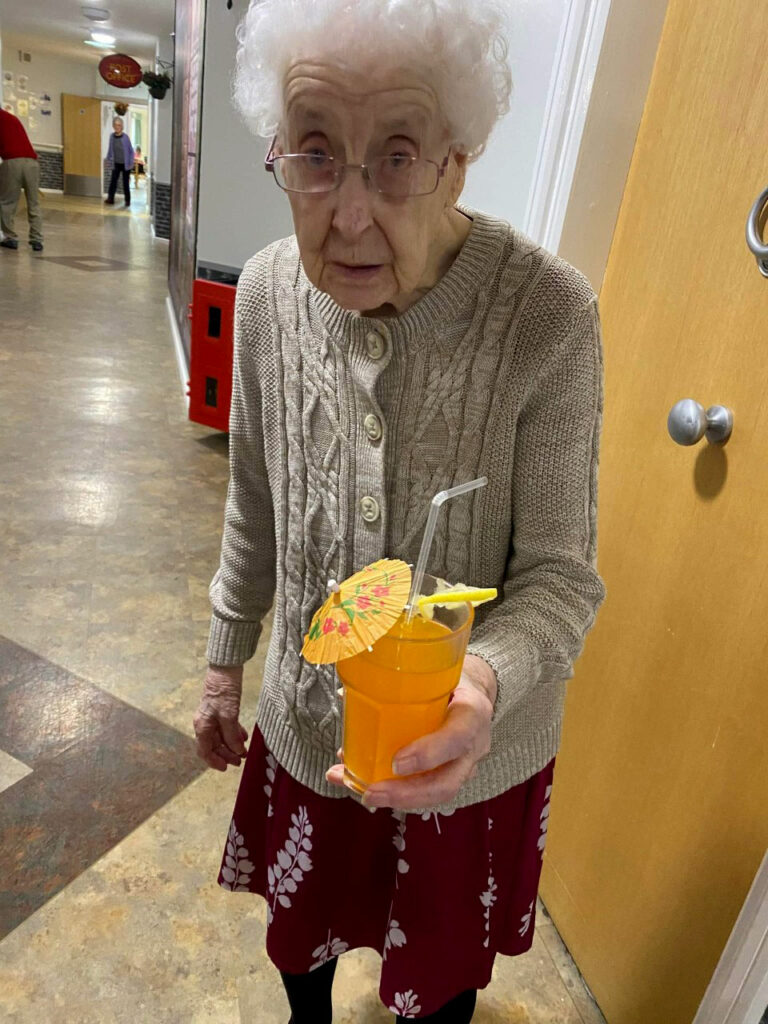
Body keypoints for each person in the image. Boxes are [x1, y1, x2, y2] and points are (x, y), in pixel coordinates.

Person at [193, 1, 607, 1021]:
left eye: (397, 158)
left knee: (437, 986)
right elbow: (256, 502)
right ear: (279, 150)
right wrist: (224, 660)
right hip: (309, 717)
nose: (347, 214)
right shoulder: (266, 295)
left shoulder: (550, 316)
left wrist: (482, 682)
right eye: (316, 152)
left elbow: (559, 581)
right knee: (302, 948)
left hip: (470, 757)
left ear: (459, 162)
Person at [0, 107, 43, 252]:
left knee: (7, 202)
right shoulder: (12, 118)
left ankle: (10, 238)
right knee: (34, 202)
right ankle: (37, 240)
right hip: (32, 162)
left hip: (12, 161)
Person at [105, 117, 134, 207]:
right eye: (115, 125)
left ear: (122, 126)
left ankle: (127, 200)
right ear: (113, 126)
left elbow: (131, 151)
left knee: (125, 183)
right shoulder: (112, 137)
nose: (117, 127)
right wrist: (108, 159)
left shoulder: (125, 137)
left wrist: (130, 163)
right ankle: (110, 199)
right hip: (116, 164)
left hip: (126, 164)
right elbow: (110, 149)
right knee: (113, 181)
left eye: (119, 125)